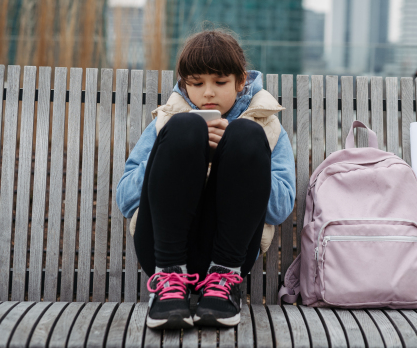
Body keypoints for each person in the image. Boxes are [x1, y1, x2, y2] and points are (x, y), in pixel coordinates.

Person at [116, 29, 296, 330]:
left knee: (245, 135)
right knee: (186, 127)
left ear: (241, 82)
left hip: (231, 256)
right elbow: (126, 198)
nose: (207, 93)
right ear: (185, 84)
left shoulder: (267, 127)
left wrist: (239, 158)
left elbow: (279, 209)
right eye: (196, 84)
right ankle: (168, 284)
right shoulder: (167, 120)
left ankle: (222, 283)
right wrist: (170, 152)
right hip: (162, 250)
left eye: (220, 82)